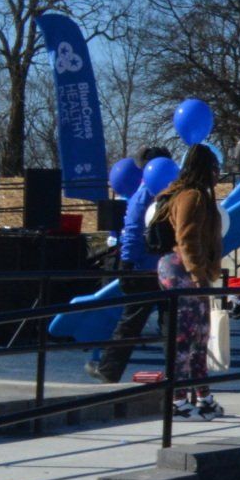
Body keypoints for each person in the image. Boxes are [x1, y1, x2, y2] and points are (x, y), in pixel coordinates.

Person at [150, 145, 225, 419]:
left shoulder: (193, 195)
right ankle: (178, 400)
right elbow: (187, 238)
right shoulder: (191, 197)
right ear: (206, 169)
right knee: (185, 337)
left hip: (187, 270)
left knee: (200, 337)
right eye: (215, 168)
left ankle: (203, 397)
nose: (218, 174)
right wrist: (197, 275)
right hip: (181, 271)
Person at [87, 145, 174, 384]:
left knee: (130, 322)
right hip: (171, 267)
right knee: (170, 323)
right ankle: (177, 373)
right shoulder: (178, 194)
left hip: (144, 268)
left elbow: (133, 231)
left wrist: (126, 263)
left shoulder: (143, 194)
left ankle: (108, 370)